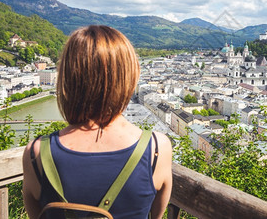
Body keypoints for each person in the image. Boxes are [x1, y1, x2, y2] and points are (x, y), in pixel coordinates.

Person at [22, 25, 172, 219]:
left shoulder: (36, 153)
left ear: (68, 78)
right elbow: (156, 215)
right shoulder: (157, 148)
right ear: (129, 77)